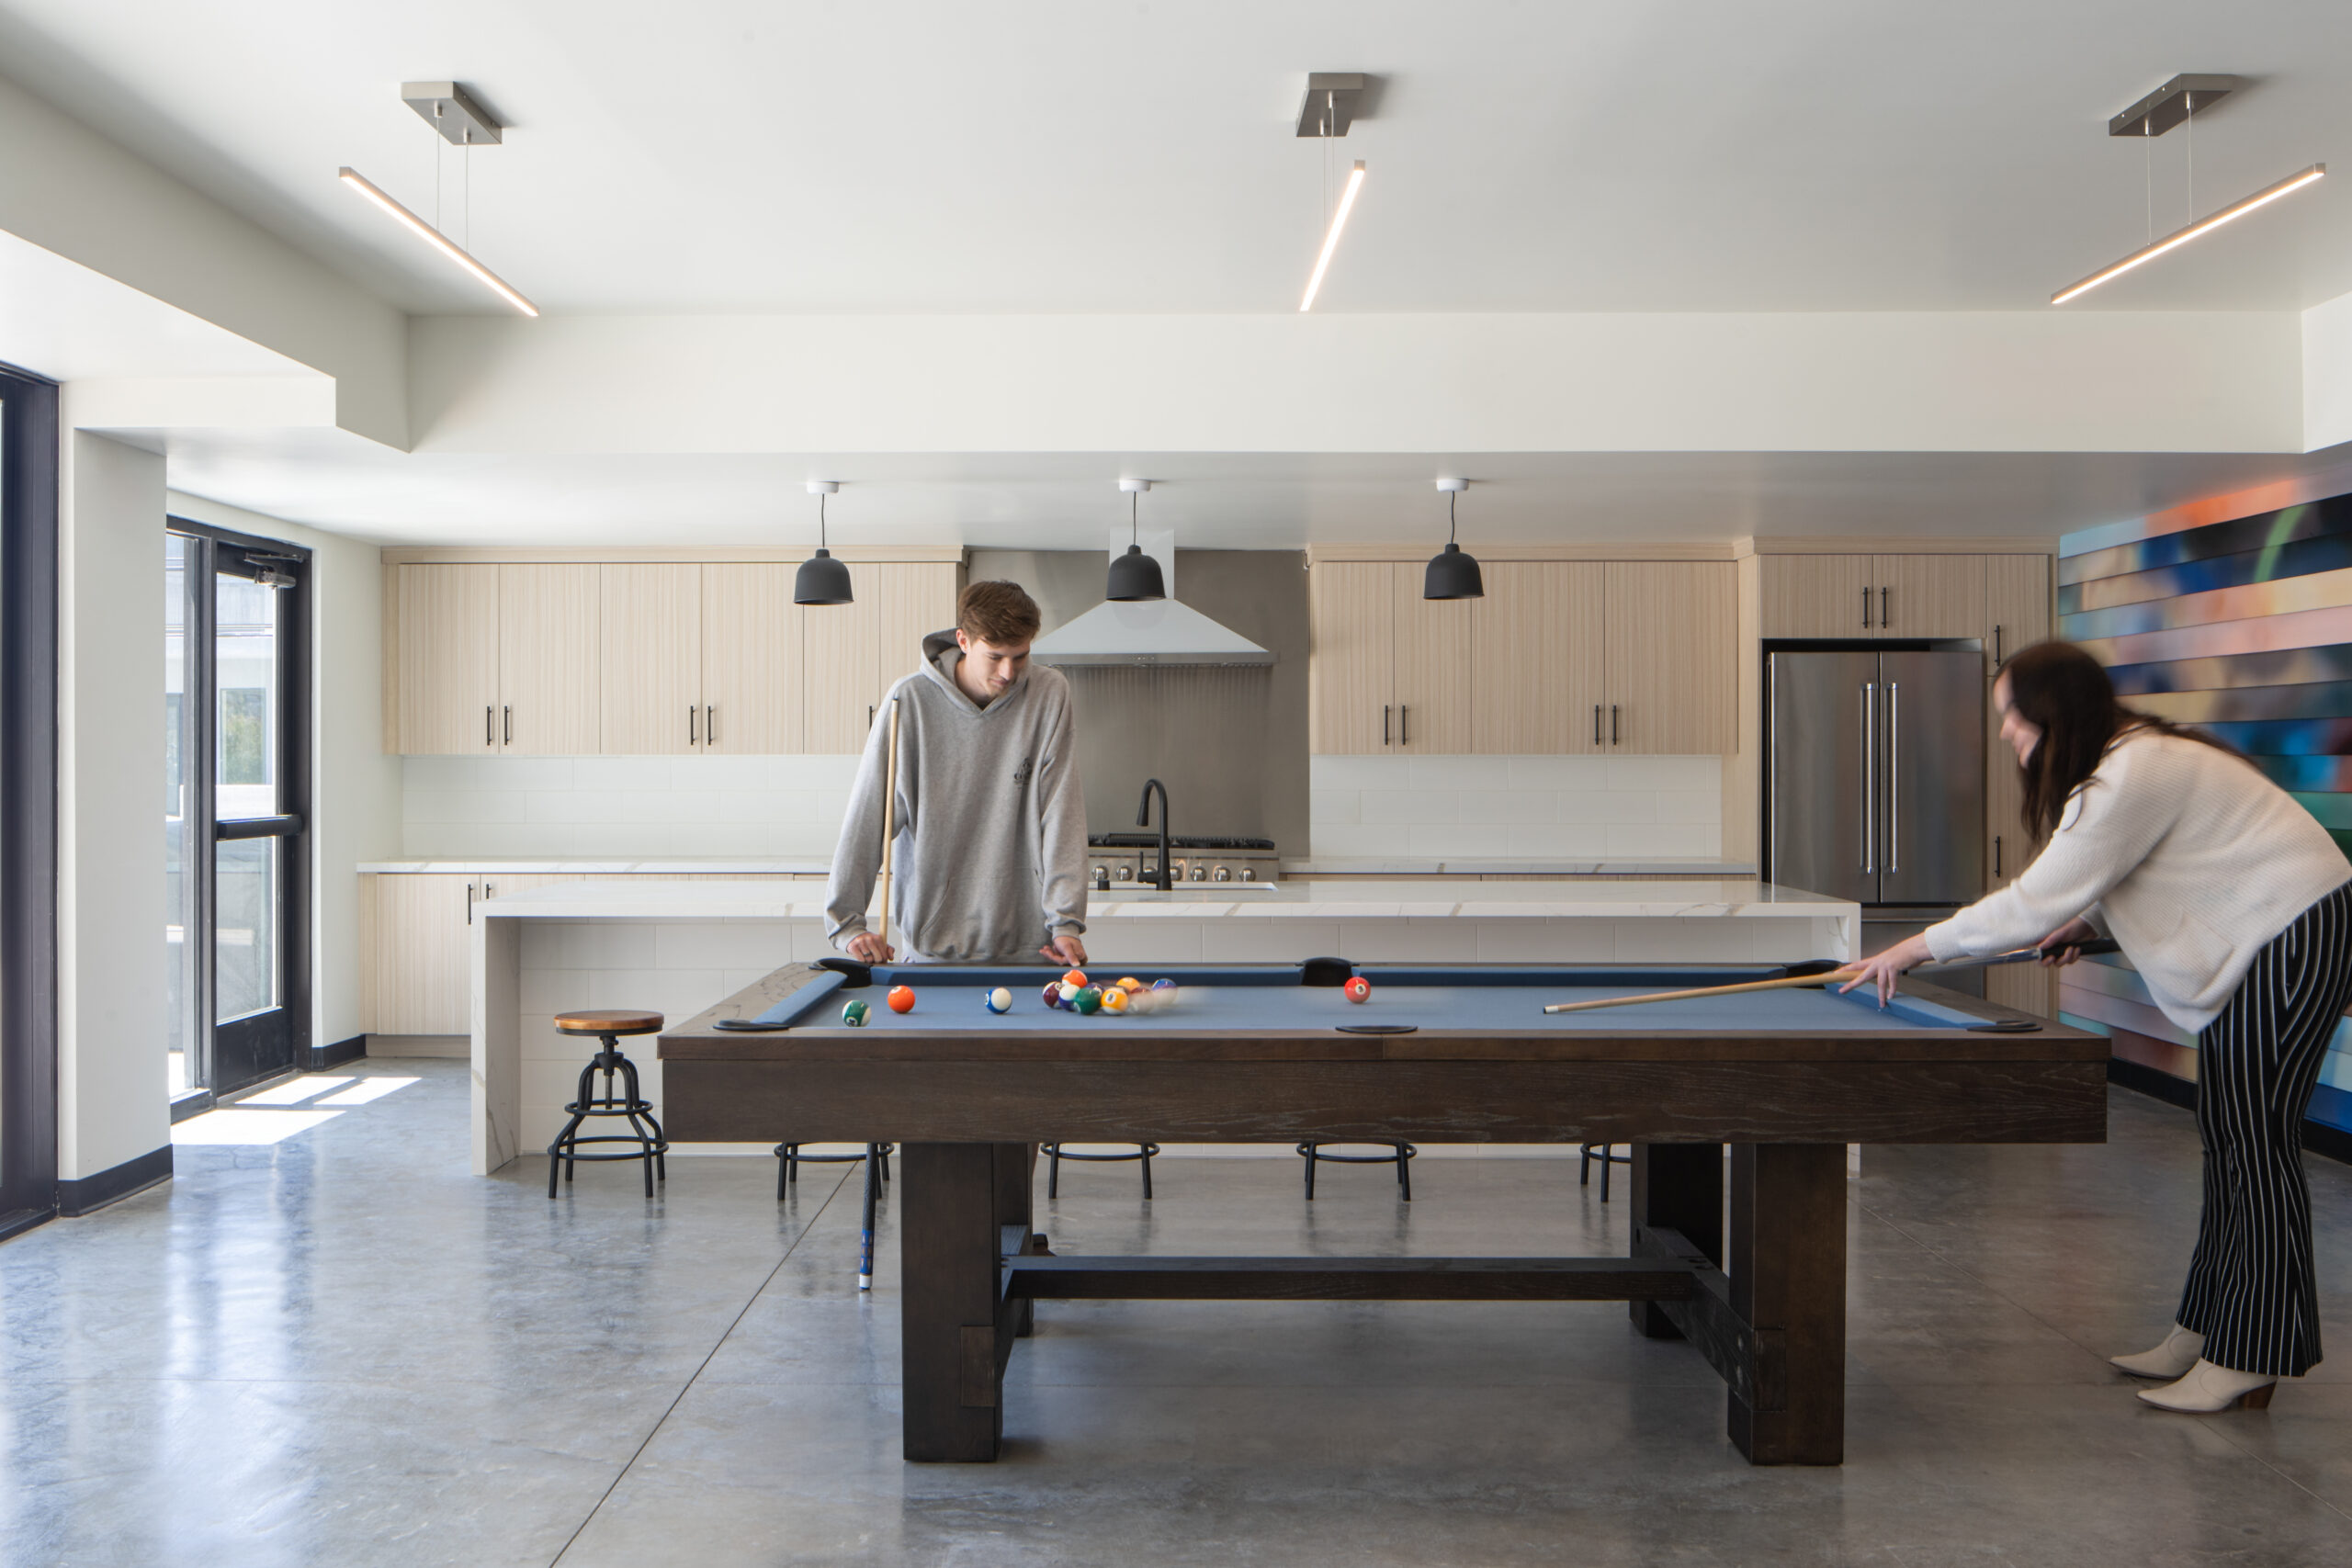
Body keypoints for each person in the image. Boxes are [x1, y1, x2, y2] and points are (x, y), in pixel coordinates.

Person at [1845, 640, 2352, 1413]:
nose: (2009, 732)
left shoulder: (2128, 772)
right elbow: (2147, 871)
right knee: (2232, 1132)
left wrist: (1911, 947)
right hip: (2278, 937)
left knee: (2257, 1141)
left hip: (2292, 933)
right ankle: (2206, 1328)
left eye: (2015, 715)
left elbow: (2030, 900)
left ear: (2055, 712)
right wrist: (2088, 923)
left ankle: (2251, 1353)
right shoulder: (2133, 762)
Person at [826, 579, 1089, 966]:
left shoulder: (1049, 694)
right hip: (935, 950)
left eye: (1020, 656)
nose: (1009, 671)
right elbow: (870, 817)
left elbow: (1062, 812)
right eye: (995, 656)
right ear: (963, 641)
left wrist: (1065, 924)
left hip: (1032, 949)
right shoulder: (908, 701)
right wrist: (847, 923)